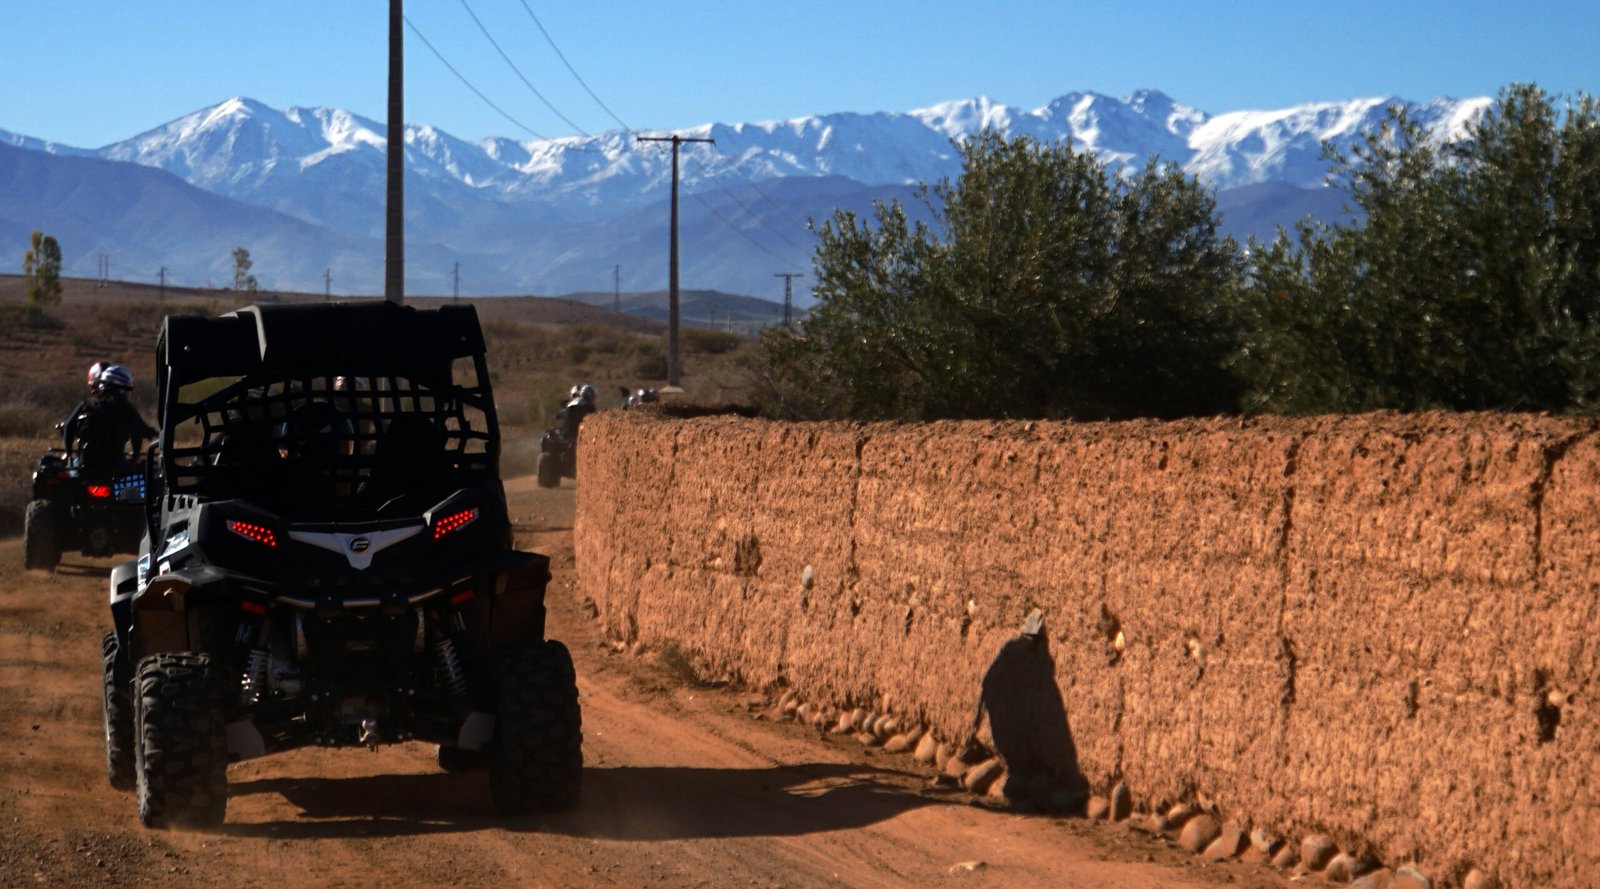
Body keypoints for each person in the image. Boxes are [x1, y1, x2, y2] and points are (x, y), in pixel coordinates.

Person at [61, 363, 156, 470]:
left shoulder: (87, 404)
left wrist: (68, 452)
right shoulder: (125, 407)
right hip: (115, 465)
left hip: (86, 465)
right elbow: (136, 432)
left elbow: (68, 426)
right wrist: (135, 457)